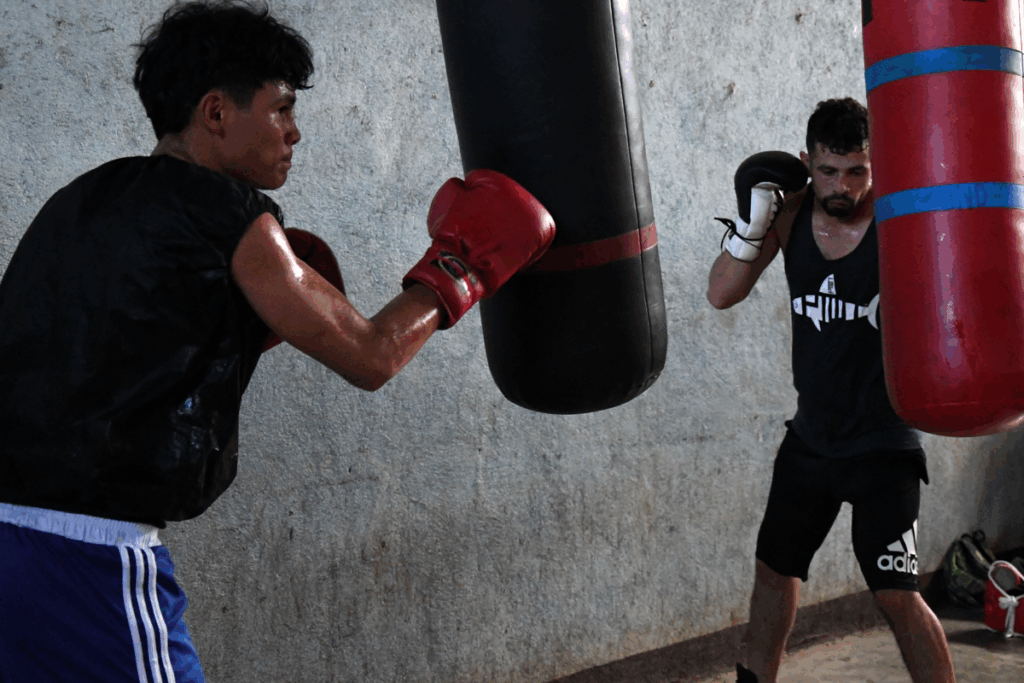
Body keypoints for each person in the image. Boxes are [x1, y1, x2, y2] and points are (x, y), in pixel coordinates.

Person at [0, 2, 554, 682]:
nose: (294, 132)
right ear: (216, 112)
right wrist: (461, 268)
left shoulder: (80, 200)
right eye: (281, 109)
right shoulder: (226, 215)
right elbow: (371, 355)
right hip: (85, 555)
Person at [706, 98, 956, 683]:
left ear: (875, 165)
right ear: (806, 163)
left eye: (856, 171)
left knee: (897, 595)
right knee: (773, 577)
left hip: (884, 444)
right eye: (827, 171)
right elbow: (721, 294)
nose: (841, 186)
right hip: (812, 441)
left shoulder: (901, 222)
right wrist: (752, 227)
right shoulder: (789, 216)